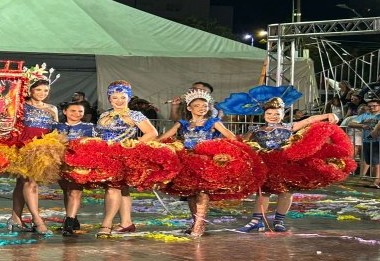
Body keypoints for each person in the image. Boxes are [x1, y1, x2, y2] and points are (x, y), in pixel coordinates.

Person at [236, 97, 339, 233]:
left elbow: (309, 120)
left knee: (286, 191)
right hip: (265, 164)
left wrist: (328, 115)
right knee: (263, 192)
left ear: (283, 114)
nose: (273, 116)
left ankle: (279, 221)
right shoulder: (255, 129)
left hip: (285, 164)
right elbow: (241, 142)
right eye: (269, 113)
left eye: (277, 114)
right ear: (264, 114)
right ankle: (256, 221)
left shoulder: (289, 127)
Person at [157, 88, 236, 237]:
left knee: (202, 191)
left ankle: (199, 226)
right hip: (187, 161)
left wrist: (217, 149)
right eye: (197, 106)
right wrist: (148, 144)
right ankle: (196, 223)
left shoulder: (213, 122)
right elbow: (162, 138)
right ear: (189, 108)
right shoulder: (182, 124)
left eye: (205, 106)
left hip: (206, 162)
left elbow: (231, 137)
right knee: (191, 193)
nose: (202, 108)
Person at [95, 80, 158, 237]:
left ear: (128, 98)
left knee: (113, 188)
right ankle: (126, 222)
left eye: (123, 97)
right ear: (109, 98)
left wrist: (132, 145)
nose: (119, 101)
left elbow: (152, 133)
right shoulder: (104, 114)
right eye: (115, 98)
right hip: (106, 155)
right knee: (121, 188)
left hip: (123, 156)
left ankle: (106, 224)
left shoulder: (134, 114)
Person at [7, 74, 59, 236]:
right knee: (30, 182)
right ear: (30, 90)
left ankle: (15, 218)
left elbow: (55, 130)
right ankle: (37, 220)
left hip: (43, 148)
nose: (42, 93)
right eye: (38, 90)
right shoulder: (21, 106)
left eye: (46, 90)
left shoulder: (52, 108)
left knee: (23, 183)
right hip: (24, 147)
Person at [53, 101, 95, 236]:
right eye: (73, 111)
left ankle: (69, 223)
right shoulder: (56, 127)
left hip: (80, 163)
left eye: (80, 111)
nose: (77, 114)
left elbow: (95, 145)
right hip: (60, 163)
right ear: (65, 112)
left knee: (74, 192)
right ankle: (72, 218)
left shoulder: (90, 127)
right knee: (67, 191)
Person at [347, 99, 380, 188]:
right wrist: (362, 125)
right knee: (371, 162)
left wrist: (376, 130)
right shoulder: (365, 115)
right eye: (370, 106)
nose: (371, 107)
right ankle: (375, 179)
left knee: (378, 161)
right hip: (367, 140)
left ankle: (377, 181)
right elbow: (351, 123)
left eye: (374, 106)